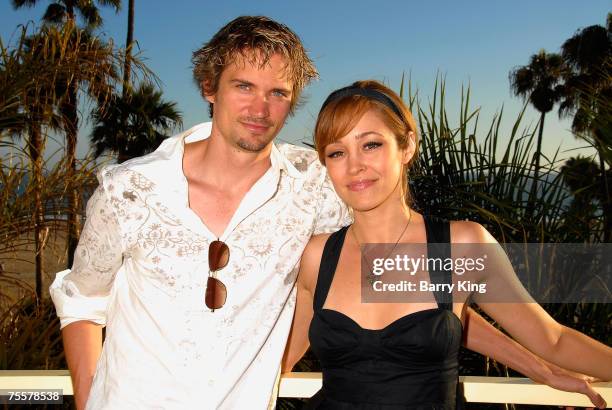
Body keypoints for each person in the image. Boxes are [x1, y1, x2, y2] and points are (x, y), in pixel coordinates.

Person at [50, 15, 604, 410]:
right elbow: (82, 300)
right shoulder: (133, 189)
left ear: (405, 147)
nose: (260, 108)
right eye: (244, 86)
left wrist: (538, 363)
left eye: (279, 93)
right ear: (209, 89)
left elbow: (425, 298)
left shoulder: (312, 187)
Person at [282, 80, 612, 409]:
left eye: (371, 145)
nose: (355, 166)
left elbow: (552, 339)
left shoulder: (461, 245)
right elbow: (276, 360)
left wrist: (542, 367)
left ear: (407, 146)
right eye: (337, 152)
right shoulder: (318, 256)